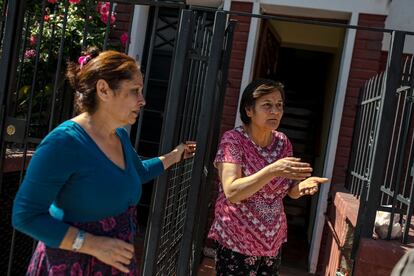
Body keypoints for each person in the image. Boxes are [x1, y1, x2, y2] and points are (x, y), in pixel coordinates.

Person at [12, 47, 195, 275]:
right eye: (134, 91)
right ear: (103, 90)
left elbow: (136, 173)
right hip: (70, 267)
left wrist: (175, 155)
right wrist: (93, 245)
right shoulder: (64, 143)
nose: (143, 100)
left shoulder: (119, 136)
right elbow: (25, 215)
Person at [208, 79, 329, 275]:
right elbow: (232, 191)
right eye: (267, 105)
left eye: (279, 105)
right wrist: (272, 169)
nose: (275, 111)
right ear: (249, 110)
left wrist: (301, 188)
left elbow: (290, 191)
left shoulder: (282, 143)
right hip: (237, 242)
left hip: (271, 243)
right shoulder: (233, 141)